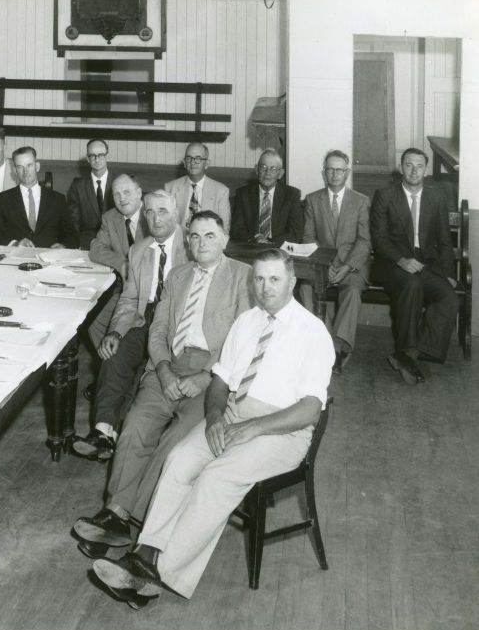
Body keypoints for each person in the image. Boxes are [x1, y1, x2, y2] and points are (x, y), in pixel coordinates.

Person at [91, 249, 333, 606]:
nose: (266, 288)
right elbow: (220, 381)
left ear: (292, 282)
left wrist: (252, 430)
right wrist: (217, 416)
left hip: (283, 428)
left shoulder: (312, 332)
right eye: (260, 279)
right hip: (235, 412)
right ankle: (146, 551)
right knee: (179, 459)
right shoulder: (247, 321)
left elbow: (310, 410)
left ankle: (155, 571)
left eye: (275, 279)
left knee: (216, 476)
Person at [73, 212, 251, 558]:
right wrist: (165, 370)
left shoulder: (242, 277)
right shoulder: (177, 275)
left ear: (225, 239)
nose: (201, 243)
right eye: (195, 237)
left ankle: (137, 522)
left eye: (210, 236)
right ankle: (115, 513)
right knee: (136, 425)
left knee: (176, 439)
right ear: (187, 241)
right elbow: (156, 332)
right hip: (168, 365)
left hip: (214, 375)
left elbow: (242, 342)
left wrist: (206, 376)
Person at [72, 190, 187, 462]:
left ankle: (118, 436)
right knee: (115, 354)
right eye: (149, 212)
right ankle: (102, 431)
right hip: (143, 316)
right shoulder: (138, 250)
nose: (155, 218)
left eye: (163, 211)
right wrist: (114, 331)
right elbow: (129, 299)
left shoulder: (191, 247)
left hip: (176, 319)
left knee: (146, 372)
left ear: (177, 214)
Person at [370, 147, 457, 384]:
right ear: (401, 168)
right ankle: (407, 352)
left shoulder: (436, 197)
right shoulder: (384, 195)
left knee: (448, 296)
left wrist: (449, 273)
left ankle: (411, 353)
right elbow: (379, 240)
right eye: (409, 165)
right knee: (412, 284)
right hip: (391, 264)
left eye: (419, 166)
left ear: (426, 170)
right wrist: (401, 260)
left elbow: (444, 240)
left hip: (426, 264)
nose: (414, 170)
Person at [303, 150, 371, 373]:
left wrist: (347, 266)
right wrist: (325, 266)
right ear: (324, 173)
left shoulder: (361, 202)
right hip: (321, 265)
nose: (334, 174)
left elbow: (364, 241)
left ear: (347, 172)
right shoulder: (312, 200)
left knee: (352, 290)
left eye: (339, 170)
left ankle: (339, 346)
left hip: (351, 266)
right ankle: (325, 341)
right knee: (305, 288)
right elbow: (309, 238)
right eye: (330, 169)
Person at [86, 174, 149, 349]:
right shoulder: (110, 218)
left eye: (127, 192)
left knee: (134, 332)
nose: (122, 198)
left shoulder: (153, 215)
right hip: (124, 292)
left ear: (138, 192)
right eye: (116, 194)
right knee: (94, 323)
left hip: (151, 294)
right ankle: (109, 365)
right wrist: (122, 263)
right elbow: (96, 248)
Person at [0, 147, 79, 249]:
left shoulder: (57, 199)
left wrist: (63, 245)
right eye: (20, 167)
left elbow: (72, 235)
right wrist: (15, 244)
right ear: (14, 170)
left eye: (29, 165)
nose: (25, 171)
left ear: (37, 166)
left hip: (49, 258)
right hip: (16, 258)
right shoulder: (1, 200)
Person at [230, 149, 303, 245]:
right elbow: (236, 229)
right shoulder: (243, 194)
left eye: (273, 169)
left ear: (280, 174)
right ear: (256, 170)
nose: (267, 173)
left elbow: (296, 232)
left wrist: (269, 242)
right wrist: (254, 238)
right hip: (251, 247)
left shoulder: (291, 195)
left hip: (279, 248)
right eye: (263, 167)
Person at [164, 143, 231, 232]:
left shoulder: (221, 191)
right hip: (178, 242)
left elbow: (224, 229)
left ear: (206, 164)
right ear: (184, 163)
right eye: (189, 158)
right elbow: (166, 225)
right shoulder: (170, 188)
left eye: (198, 158)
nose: (193, 162)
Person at [67, 139, 114, 250]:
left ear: (107, 156)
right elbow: (74, 222)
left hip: (115, 245)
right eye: (92, 156)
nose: (97, 159)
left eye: (101, 155)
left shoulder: (118, 183)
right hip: (86, 245)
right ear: (88, 159)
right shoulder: (77, 186)